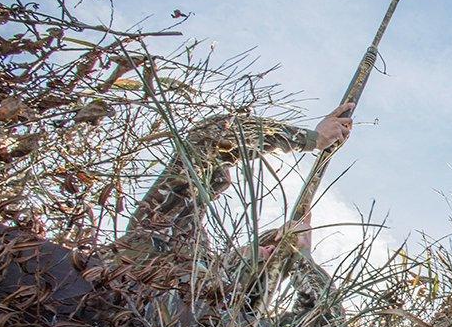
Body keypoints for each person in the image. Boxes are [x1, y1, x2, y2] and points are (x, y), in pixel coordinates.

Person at [112, 102, 354, 265]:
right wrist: (311, 139)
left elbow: (212, 136)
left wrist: (299, 255)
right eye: (272, 250)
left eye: (271, 261)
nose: (270, 252)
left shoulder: (225, 316)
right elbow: (215, 137)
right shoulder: (167, 245)